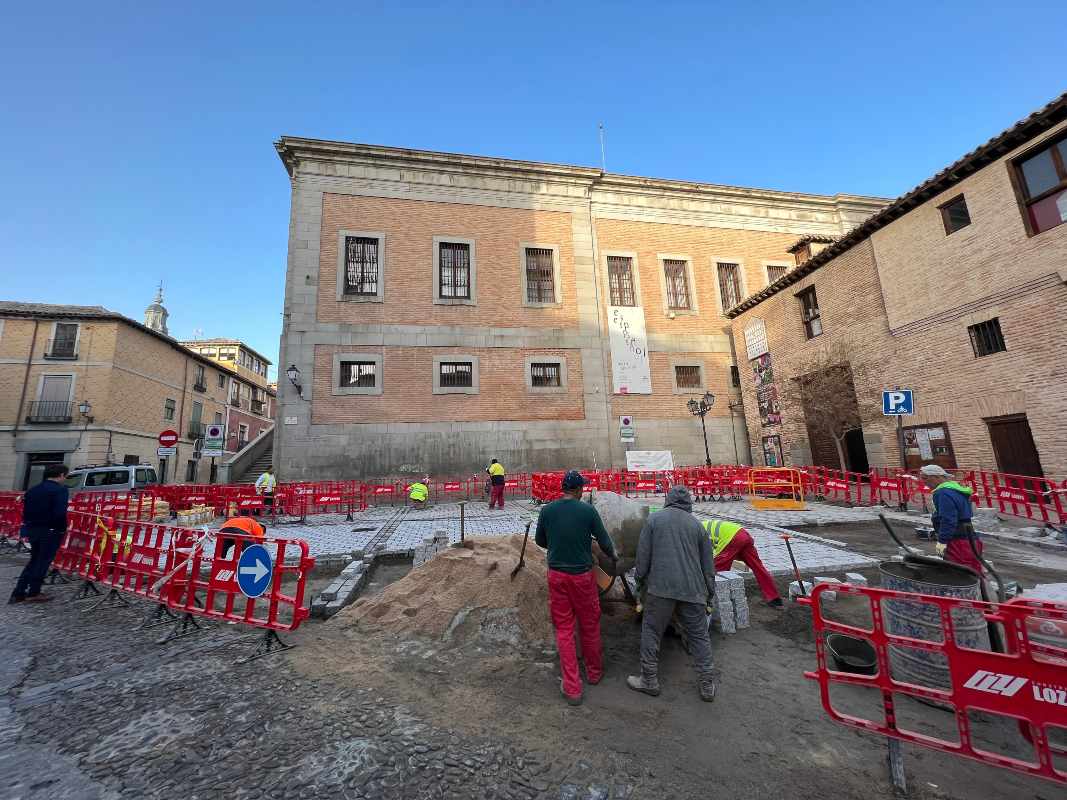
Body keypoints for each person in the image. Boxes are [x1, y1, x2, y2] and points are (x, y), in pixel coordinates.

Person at [534, 470, 617, 706]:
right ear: (579, 490)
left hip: (557, 576)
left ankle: (572, 688)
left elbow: (540, 541)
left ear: (563, 489)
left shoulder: (547, 510)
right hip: (582, 577)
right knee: (589, 624)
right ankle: (594, 673)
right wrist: (613, 555)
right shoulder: (587, 511)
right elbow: (603, 540)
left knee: (564, 629)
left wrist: (559, 542)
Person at [628, 485, 718, 702]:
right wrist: (709, 594)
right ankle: (707, 684)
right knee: (699, 636)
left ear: (667, 500)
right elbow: (708, 567)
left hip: (660, 588)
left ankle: (649, 680)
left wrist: (640, 583)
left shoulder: (654, 521)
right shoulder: (697, 526)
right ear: (689, 503)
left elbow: (642, 559)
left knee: (651, 631)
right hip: (693, 590)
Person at [9, 464, 70, 604]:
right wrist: (61, 528)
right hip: (51, 530)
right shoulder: (60, 490)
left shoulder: (33, 490)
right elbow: (60, 513)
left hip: (33, 529)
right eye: (65, 476)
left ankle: (19, 591)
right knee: (42, 562)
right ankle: (33, 592)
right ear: (61, 475)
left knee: (34, 560)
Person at [702, 518, 783, 607]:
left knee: (717, 570)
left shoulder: (694, 533)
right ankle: (774, 598)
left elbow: (706, 557)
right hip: (743, 534)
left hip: (731, 538)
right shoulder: (699, 526)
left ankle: (713, 598)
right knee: (758, 567)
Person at [920, 464, 983, 574]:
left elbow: (948, 519)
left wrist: (942, 541)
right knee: (974, 572)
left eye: (925, 478)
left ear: (937, 477)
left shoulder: (942, 493)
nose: (924, 482)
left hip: (957, 541)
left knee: (959, 574)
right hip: (970, 539)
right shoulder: (955, 489)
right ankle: (982, 590)